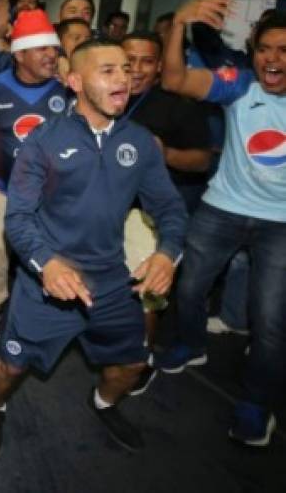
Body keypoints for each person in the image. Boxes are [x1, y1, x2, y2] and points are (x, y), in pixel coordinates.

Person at [0, 39, 187, 457]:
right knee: (10, 366)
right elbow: (17, 218)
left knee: (131, 365)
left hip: (110, 280)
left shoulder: (141, 142)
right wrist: (46, 264)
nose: (124, 78)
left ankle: (103, 404)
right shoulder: (43, 140)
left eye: (126, 69)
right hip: (45, 283)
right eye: (108, 70)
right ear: (74, 81)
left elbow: (170, 208)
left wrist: (167, 252)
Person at [157, 0, 286, 447]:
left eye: (284, 51)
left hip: (281, 225)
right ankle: (191, 344)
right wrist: (179, 23)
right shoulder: (240, 84)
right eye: (266, 48)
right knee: (189, 289)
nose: (273, 59)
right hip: (223, 208)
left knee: (270, 321)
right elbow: (173, 79)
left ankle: (256, 403)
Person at [119, 32, 213, 394]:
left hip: (149, 214)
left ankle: (140, 361)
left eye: (146, 61)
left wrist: (166, 153)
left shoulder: (179, 105)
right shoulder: (104, 94)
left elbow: (202, 160)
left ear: (160, 66)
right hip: (106, 209)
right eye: (129, 60)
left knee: (145, 295)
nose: (136, 69)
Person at [0, 9, 65, 341]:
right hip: (2, 185)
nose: (51, 55)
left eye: (53, 48)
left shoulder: (66, 88)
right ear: (20, 53)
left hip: (51, 191)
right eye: (42, 49)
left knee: (48, 249)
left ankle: (44, 306)